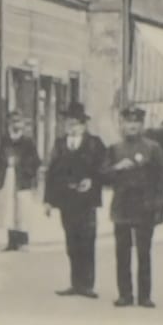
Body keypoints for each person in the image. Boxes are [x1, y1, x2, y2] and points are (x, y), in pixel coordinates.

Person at [104, 105, 163, 308]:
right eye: (128, 122)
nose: (132, 126)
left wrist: (159, 208)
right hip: (122, 206)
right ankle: (125, 294)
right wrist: (117, 167)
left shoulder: (152, 148)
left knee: (144, 252)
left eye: (136, 122)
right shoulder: (115, 149)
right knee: (122, 252)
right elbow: (103, 175)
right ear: (122, 125)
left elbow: (162, 180)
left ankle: (144, 295)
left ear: (142, 125)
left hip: (144, 206)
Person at [42, 103, 107, 298]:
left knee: (87, 240)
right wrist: (48, 201)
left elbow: (104, 169)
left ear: (84, 125)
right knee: (71, 242)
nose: (72, 127)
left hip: (86, 201)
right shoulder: (60, 145)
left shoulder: (95, 144)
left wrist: (92, 181)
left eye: (76, 124)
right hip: (66, 200)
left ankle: (87, 284)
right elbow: (51, 173)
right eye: (68, 123)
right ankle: (75, 283)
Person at [0, 114, 42, 251]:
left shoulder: (28, 141)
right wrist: (5, 163)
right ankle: (11, 241)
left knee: (23, 209)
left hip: (23, 178)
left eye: (18, 122)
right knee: (9, 209)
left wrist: (24, 167)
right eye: (13, 122)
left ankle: (23, 241)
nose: (15, 125)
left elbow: (36, 160)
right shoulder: (5, 140)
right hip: (9, 177)